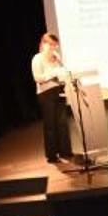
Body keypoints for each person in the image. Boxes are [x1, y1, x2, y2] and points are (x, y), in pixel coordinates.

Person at [32, 33, 72, 163]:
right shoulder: (37, 59)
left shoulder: (56, 57)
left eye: (55, 46)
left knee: (62, 123)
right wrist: (53, 73)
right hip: (46, 93)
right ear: (44, 44)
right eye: (51, 45)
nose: (53, 48)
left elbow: (63, 72)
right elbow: (38, 78)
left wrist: (62, 71)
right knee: (50, 124)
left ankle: (65, 151)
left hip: (59, 90)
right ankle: (52, 155)